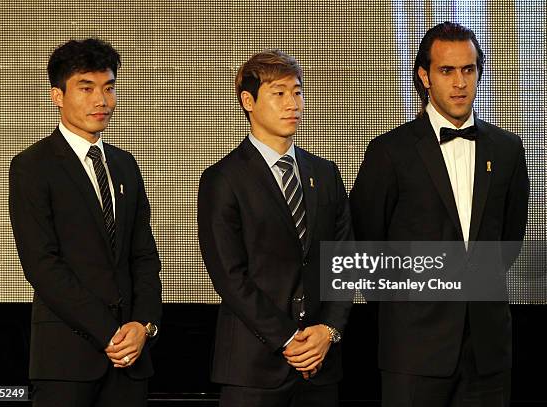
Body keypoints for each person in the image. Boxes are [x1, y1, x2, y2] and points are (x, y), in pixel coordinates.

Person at [350, 22, 529, 406]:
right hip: (412, 351)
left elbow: (509, 242)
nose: (460, 82)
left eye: (469, 69)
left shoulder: (508, 150)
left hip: (488, 350)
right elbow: (365, 243)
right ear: (425, 76)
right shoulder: (389, 152)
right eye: (447, 70)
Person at [9, 38, 162, 406]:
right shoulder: (32, 166)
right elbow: (42, 265)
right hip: (66, 359)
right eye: (87, 88)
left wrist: (143, 326)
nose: (102, 100)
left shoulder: (125, 165)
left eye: (109, 88)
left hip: (131, 360)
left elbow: (143, 256)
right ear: (57, 96)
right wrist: (109, 333)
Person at [197, 49, 353, 407]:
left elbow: (345, 261)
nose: (292, 103)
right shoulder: (223, 179)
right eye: (279, 93)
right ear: (248, 101)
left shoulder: (325, 174)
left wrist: (328, 331)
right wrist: (289, 339)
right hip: (253, 369)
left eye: (297, 92)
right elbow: (229, 277)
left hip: (321, 365)